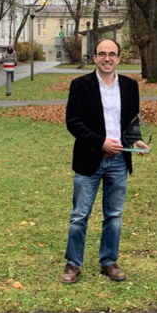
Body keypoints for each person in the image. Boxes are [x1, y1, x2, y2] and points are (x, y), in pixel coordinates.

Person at [61, 38, 149, 284]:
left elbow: (131, 121)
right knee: (80, 215)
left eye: (112, 54)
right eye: (102, 54)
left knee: (114, 215)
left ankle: (109, 262)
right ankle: (73, 263)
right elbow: (73, 122)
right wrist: (100, 142)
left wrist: (135, 141)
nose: (107, 58)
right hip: (90, 159)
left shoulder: (130, 86)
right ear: (95, 58)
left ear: (119, 58)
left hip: (119, 162)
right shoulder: (80, 85)